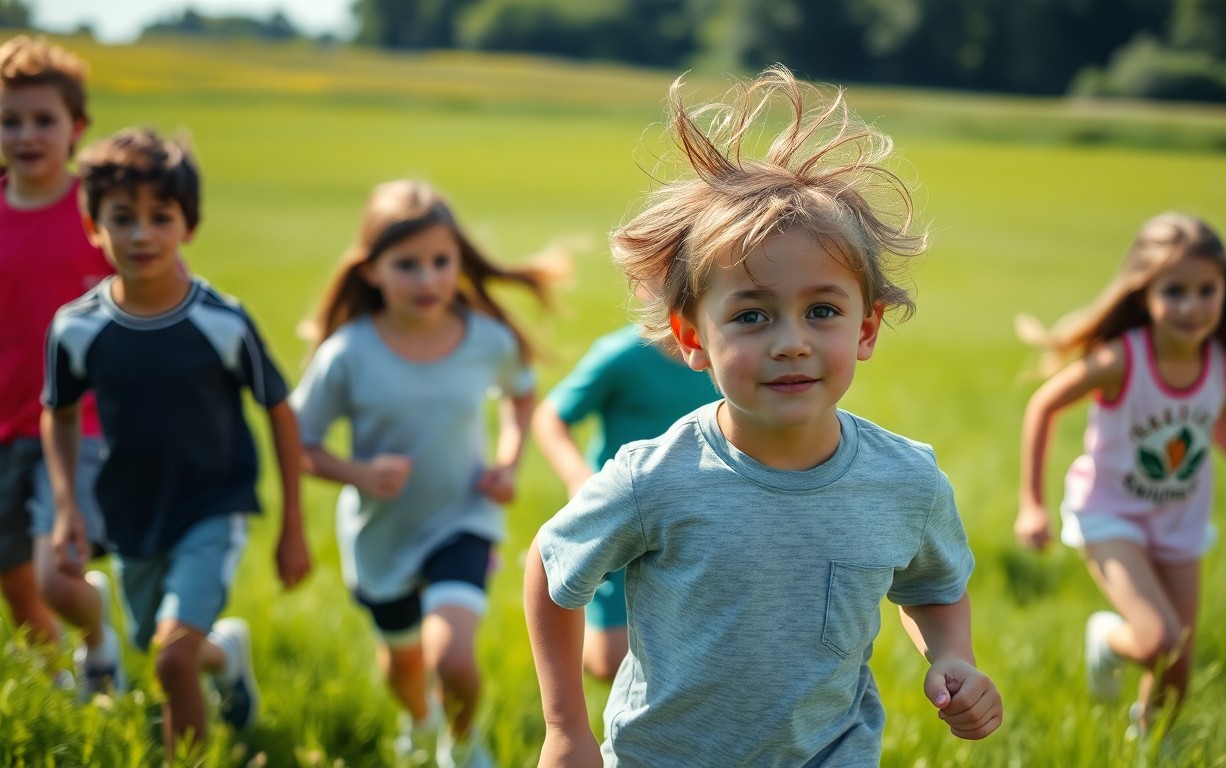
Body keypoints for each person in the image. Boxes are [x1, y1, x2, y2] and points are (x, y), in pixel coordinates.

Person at [524, 66, 1002, 767]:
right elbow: (549, 564)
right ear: (694, 340)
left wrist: (951, 657)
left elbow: (932, 586)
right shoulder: (653, 479)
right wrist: (566, 729)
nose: (791, 340)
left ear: (866, 329)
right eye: (751, 315)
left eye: (823, 311)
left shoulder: (905, 480)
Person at [41, 127, 311, 755]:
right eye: (122, 218)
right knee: (157, 645)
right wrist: (65, 506)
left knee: (167, 658)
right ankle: (227, 656)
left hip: (213, 508)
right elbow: (57, 412)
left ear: (188, 225)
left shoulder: (221, 321)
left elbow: (278, 408)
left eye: (160, 217)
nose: (141, 235)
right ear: (92, 226)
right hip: (133, 512)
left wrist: (292, 523)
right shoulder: (75, 330)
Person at [290, 179, 556, 768]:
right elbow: (300, 443)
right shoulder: (348, 354)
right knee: (404, 664)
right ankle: (418, 720)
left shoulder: (486, 340)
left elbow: (520, 395)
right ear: (370, 271)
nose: (429, 278)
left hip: (462, 516)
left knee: (451, 657)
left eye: (441, 261)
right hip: (380, 535)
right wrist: (358, 473)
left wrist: (508, 463)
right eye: (407, 264)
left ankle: (463, 745)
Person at [1013, 212, 1226, 737]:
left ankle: (1149, 741)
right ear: (1144, 293)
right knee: (1157, 640)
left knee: (1178, 665)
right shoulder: (1122, 360)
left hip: (1179, 521)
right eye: (1174, 291)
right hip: (1110, 517)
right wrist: (1032, 503)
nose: (1192, 306)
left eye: (1206, 290)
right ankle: (1108, 638)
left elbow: (1216, 413)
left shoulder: (1219, 360)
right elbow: (1043, 406)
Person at [0, 34, 120, 696]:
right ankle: (60, 692)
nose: (25, 134)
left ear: (77, 129)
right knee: (16, 585)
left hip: (80, 427)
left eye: (43, 119)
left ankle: (100, 642)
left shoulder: (99, 220)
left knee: (55, 574)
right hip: (4, 424)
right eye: (9, 120)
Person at [532, 320, 719, 682]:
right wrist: (576, 476)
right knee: (611, 663)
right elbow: (551, 416)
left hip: (702, 516)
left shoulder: (728, 353)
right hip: (625, 517)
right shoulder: (622, 355)